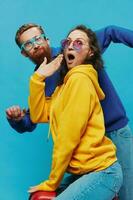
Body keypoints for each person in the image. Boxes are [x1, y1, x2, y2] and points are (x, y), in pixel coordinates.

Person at [6, 23, 133, 200]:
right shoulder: (46, 76)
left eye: (37, 38)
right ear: (24, 52)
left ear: (47, 39)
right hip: (87, 151)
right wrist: (18, 118)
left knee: (127, 194)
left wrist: (52, 181)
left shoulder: (75, 54)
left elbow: (111, 31)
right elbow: (38, 116)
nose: (35, 45)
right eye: (28, 44)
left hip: (114, 131)